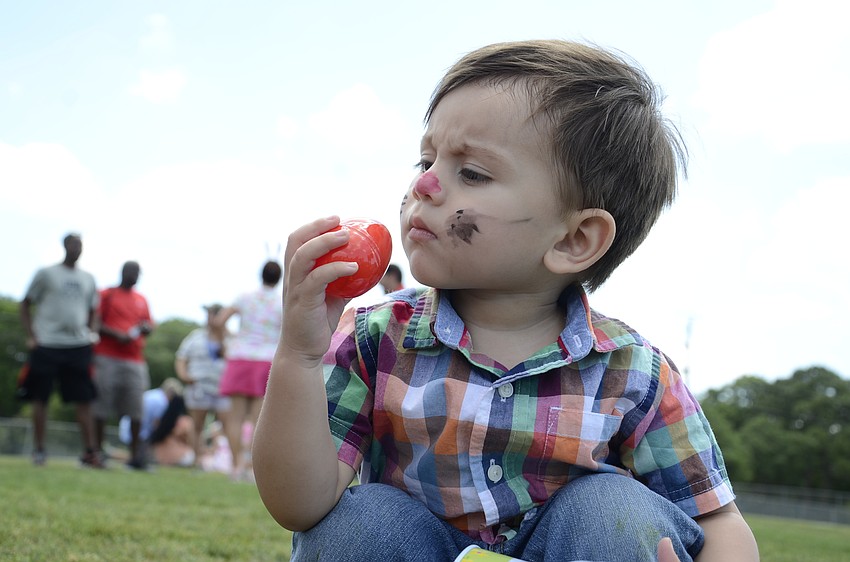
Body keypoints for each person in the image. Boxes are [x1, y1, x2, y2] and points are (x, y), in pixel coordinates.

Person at [253, 40, 759, 562]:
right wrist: (299, 354)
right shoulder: (374, 339)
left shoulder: (633, 373)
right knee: (365, 521)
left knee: (611, 509)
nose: (423, 185)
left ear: (573, 240)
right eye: (426, 159)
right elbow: (299, 505)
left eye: (471, 173)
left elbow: (716, 518)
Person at [18, 233, 102, 467]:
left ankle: (90, 452)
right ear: (65, 246)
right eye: (74, 244)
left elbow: (94, 309)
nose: (78, 248)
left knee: (84, 399)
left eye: (81, 245)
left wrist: (92, 332)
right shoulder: (46, 274)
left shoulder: (88, 278)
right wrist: (32, 336)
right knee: (40, 397)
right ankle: (39, 450)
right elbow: (25, 303)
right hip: (47, 344)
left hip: (78, 346)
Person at [215, 260, 282, 482]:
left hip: (240, 356)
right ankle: (252, 469)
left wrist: (231, 338)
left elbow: (220, 320)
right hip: (266, 360)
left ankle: (236, 467)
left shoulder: (245, 297)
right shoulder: (281, 301)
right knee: (258, 420)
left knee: (235, 418)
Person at [91, 260, 154, 470]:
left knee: (136, 409)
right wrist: (118, 335)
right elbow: (95, 323)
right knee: (100, 405)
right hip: (106, 356)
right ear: (123, 272)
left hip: (135, 359)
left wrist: (145, 328)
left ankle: (135, 457)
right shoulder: (107, 294)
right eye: (132, 271)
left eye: (138, 272)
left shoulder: (141, 299)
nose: (134, 276)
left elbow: (149, 325)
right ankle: (97, 453)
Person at [174, 303, 231, 466]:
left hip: (223, 387)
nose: (210, 319)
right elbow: (181, 357)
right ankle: (197, 459)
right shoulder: (195, 336)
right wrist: (184, 375)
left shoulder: (230, 338)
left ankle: (228, 462)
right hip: (198, 385)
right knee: (197, 423)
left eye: (213, 315)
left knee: (228, 424)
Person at [118, 377, 183, 449]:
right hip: (136, 434)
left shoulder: (154, 393)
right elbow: (157, 425)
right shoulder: (162, 402)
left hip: (126, 429)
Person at [147, 391, 196, 467]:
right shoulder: (186, 422)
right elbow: (191, 441)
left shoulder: (161, 421)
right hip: (181, 457)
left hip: (160, 457)